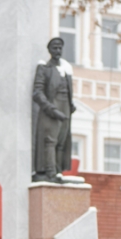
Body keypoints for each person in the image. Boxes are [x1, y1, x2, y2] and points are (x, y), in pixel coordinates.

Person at [33, 37, 75, 183]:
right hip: (52, 110)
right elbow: (37, 92)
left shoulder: (66, 70)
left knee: (61, 142)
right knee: (50, 141)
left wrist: (71, 105)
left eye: (60, 48)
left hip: (66, 108)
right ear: (49, 50)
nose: (57, 51)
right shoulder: (44, 68)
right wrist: (51, 109)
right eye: (54, 48)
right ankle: (50, 172)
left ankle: (58, 171)